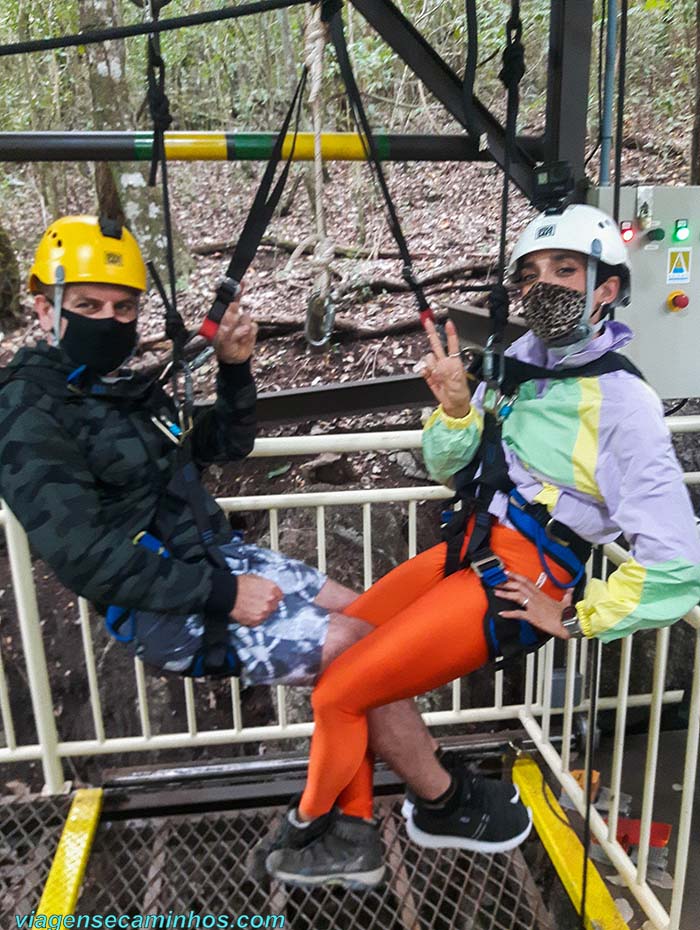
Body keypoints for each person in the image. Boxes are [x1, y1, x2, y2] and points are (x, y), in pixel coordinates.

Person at [0, 214, 517, 890]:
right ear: (45, 307)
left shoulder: (113, 389)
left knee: (375, 627)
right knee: (357, 649)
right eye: (88, 305)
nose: (110, 319)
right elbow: (84, 557)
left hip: (218, 559)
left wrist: (235, 370)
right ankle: (437, 799)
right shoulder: (31, 411)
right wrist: (223, 595)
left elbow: (223, 443)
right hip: (168, 605)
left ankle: (349, 822)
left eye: (123, 307)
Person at [264, 203, 700, 887]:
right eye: (530, 274)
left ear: (607, 289)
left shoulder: (623, 403)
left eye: (565, 270)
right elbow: (451, 464)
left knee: (339, 695)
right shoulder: (523, 364)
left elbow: (677, 561)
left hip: (516, 576)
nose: (543, 286)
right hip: (471, 545)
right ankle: (379, 825)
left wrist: (575, 616)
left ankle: (316, 826)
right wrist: (460, 409)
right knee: (343, 652)